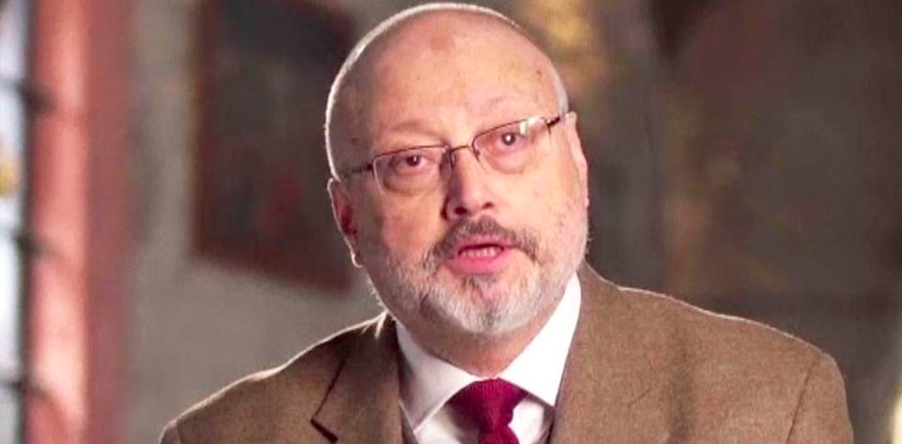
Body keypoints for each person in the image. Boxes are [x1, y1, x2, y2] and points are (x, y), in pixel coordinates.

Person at [160, 3, 853, 443]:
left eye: (510, 139)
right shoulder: (227, 439)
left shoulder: (774, 406)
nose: (471, 195)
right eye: (412, 161)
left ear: (576, 162)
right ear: (349, 221)